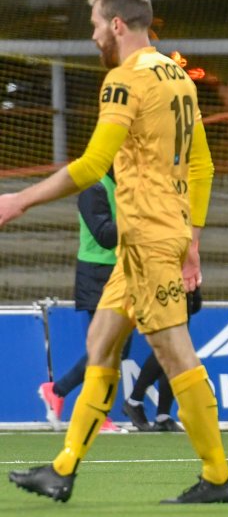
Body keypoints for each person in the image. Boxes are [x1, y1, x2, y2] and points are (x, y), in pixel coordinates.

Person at [3, 0, 228, 504]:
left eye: (93, 25)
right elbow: (203, 164)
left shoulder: (124, 80)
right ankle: (63, 469)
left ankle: (219, 477)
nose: (91, 36)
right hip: (154, 237)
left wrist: (19, 200)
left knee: (175, 354)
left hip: (148, 238)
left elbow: (90, 166)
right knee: (100, 344)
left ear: (116, 25)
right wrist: (192, 240)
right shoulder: (177, 75)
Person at [38, 169, 127, 435]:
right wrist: (139, 217)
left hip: (121, 272)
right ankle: (96, 414)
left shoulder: (126, 185)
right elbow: (105, 235)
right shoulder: (94, 187)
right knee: (105, 347)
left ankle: (57, 390)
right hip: (96, 275)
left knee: (118, 348)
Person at [122, 287, 201, 433]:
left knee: (174, 350)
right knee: (170, 345)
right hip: (165, 286)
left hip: (179, 286)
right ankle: (134, 401)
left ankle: (162, 416)